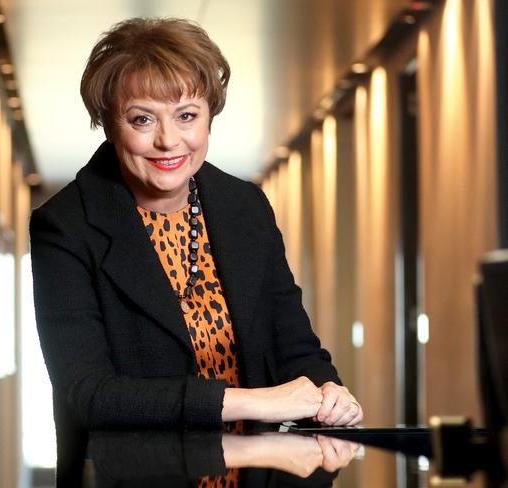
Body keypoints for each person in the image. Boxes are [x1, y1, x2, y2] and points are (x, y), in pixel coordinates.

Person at [30, 16, 363, 475]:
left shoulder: (245, 206)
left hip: (256, 474)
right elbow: (91, 394)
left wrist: (330, 392)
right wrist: (255, 403)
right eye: (142, 119)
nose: (168, 140)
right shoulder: (65, 226)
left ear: (209, 115)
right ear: (108, 123)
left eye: (187, 115)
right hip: (132, 476)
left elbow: (294, 344)